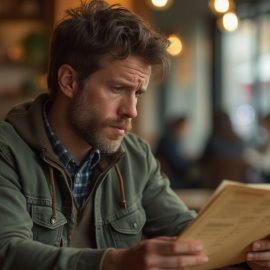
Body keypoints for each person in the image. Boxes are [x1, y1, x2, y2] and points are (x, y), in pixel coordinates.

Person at [0, 1, 269, 269]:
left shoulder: (135, 155)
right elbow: (8, 253)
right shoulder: (7, 150)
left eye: (137, 93)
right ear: (69, 81)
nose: (132, 111)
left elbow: (190, 236)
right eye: (118, 88)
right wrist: (117, 263)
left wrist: (251, 251)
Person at [155, 116, 199, 189]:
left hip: (169, 177)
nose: (187, 132)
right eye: (186, 128)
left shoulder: (169, 138)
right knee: (197, 182)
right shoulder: (169, 140)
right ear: (179, 127)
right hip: (171, 179)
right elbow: (176, 164)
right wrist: (193, 162)